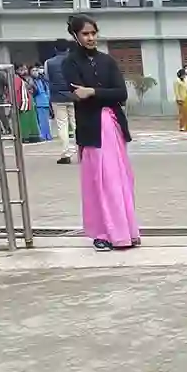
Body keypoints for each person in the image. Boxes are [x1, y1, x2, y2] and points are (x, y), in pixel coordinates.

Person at [61, 13, 140, 252]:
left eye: (93, 33)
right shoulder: (70, 63)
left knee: (120, 180)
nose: (91, 37)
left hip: (113, 127)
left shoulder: (107, 61)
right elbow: (77, 94)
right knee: (99, 181)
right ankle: (103, 233)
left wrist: (93, 92)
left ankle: (126, 231)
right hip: (91, 129)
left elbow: (121, 94)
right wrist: (99, 93)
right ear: (75, 35)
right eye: (85, 34)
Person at [46, 41, 75, 163]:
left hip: (57, 98)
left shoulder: (49, 63)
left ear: (55, 49)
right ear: (68, 49)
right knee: (77, 124)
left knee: (62, 126)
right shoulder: (74, 61)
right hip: (75, 97)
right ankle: (84, 152)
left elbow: (47, 78)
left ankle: (66, 154)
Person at [13, 64, 42, 144]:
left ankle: (33, 136)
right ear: (17, 70)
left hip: (30, 100)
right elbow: (16, 91)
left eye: (25, 69)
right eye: (21, 69)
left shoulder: (28, 78)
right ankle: (24, 137)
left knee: (32, 119)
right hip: (22, 101)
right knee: (24, 120)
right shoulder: (16, 79)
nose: (24, 71)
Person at [32, 64, 52, 142]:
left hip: (43, 102)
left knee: (44, 120)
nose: (35, 72)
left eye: (36, 70)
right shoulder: (33, 81)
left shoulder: (42, 80)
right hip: (38, 102)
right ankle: (44, 135)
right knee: (41, 120)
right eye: (33, 70)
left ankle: (45, 135)